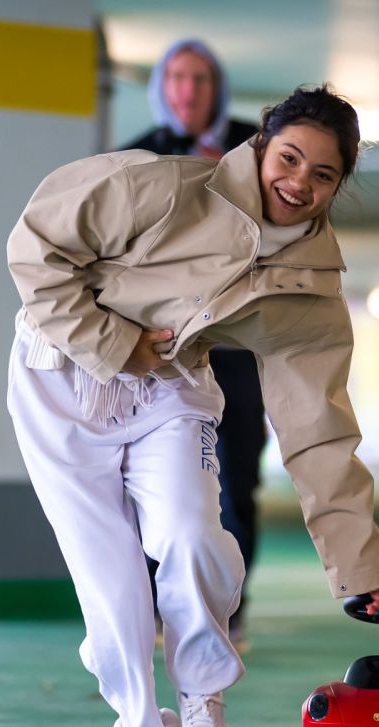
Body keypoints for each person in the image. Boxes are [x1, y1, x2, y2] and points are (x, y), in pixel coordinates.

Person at [5, 85, 379, 727]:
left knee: (192, 534)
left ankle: (201, 691)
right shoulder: (155, 185)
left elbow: (319, 428)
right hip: (60, 382)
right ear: (260, 146)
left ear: (341, 184)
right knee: (113, 585)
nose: (298, 183)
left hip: (170, 384)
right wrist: (116, 343)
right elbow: (33, 249)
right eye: (289, 158)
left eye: (323, 174)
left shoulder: (309, 286)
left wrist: (361, 568)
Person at [117, 39, 264, 650]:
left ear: (217, 87)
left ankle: (232, 609)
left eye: (200, 78)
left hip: (233, 343)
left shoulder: (254, 149)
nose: (188, 90)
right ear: (162, 86)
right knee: (158, 477)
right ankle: (160, 606)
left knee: (235, 476)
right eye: (176, 77)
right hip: (167, 347)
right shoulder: (143, 151)